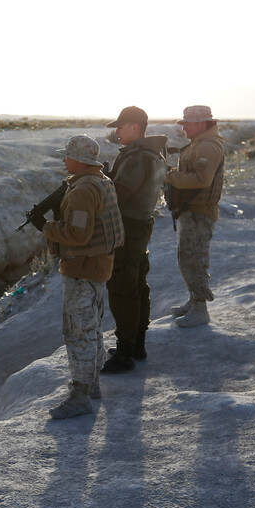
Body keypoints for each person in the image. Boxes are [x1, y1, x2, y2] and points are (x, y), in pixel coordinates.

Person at [30, 135, 123, 418]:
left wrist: (46, 227)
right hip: (96, 267)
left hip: (83, 269)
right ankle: (91, 384)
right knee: (92, 328)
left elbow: (78, 235)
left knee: (78, 331)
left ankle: (80, 396)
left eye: (68, 156)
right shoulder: (101, 181)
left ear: (80, 160)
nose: (64, 160)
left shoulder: (83, 190)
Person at [100, 106, 168, 373]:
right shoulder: (151, 153)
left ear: (135, 127)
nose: (117, 131)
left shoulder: (137, 158)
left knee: (123, 289)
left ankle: (126, 352)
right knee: (137, 286)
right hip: (140, 226)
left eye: (121, 126)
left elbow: (119, 196)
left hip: (127, 229)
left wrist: (102, 184)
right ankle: (136, 344)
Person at [165, 105, 226, 327]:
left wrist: (171, 177)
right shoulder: (199, 144)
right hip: (190, 211)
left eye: (188, 124)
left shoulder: (208, 147)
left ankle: (201, 309)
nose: (184, 129)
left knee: (195, 260)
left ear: (201, 124)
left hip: (199, 213)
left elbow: (201, 180)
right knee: (186, 259)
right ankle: (194, 300)